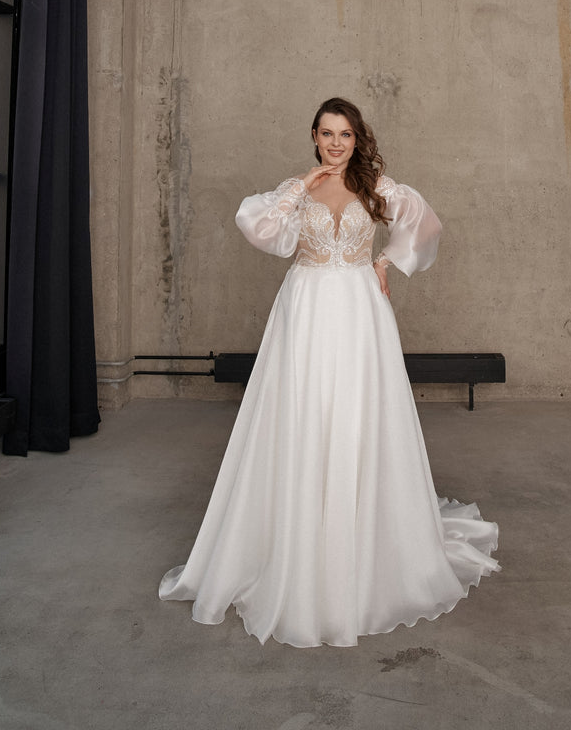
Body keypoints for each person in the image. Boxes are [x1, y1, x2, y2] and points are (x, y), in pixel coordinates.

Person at [159, 97, 499, 647]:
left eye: (345, 134)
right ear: (314, 136)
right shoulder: (298, 189)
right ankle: (297, 537)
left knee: (359, 417)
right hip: (308, 309)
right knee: (304, 414)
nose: (336, 143)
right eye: (326, 133)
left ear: (357, 137)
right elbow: (256, 224)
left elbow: (425, 222)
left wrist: (388, 260)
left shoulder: (377, 186)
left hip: (361, 309)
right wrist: (300, 185)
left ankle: (361, 537)